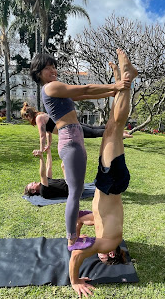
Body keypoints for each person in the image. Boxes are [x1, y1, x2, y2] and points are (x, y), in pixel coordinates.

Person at [29, 51, 131, 251]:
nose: (53, 70)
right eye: (48, 67)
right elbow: (84, 87)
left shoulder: (55, 89)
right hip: (70, 142)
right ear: (39, 73)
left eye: (53, 66)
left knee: (76, 190)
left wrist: (110, 93)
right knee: (74, 193)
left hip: (74, 139)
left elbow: (83, 94)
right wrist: (115, 86)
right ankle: (71, 240)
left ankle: (74, 227)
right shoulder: (51, 87)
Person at [68, 49, 138, 298]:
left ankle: (121, 75)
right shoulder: (108, 242)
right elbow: (78, 254)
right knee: (114, 128)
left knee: (111, 126)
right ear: (109, 253)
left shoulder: (101, 230)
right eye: (99, 256)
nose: (94, 252)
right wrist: (75, 280)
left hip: (109, 182)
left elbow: (80, 218)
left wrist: (72, 234)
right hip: (112, 181)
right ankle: (127, 80)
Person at [20, 103, 132, 153]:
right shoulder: (41, 115)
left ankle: (119, 133)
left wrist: (41, 149)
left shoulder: (38, 118)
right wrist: (48, 145)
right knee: (94, 129)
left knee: (93, 133)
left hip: (70, 129)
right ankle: (118, 129)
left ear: (27, 116)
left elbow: (42, 135)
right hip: (71, 124)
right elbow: (48, 132)